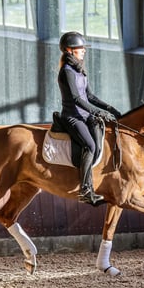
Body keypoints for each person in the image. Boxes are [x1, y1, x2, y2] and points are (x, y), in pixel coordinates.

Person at [57, 31, 122, 206]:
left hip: (86, 115)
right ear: (70, 50)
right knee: (90, 145)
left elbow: (90, 96)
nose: (84, 50)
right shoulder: (67, 71)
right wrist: (97, 112)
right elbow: (76, 99)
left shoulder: (80, 70)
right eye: (81, 48)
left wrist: (109, 109)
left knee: (101, 135)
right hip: (73, 117)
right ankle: (85, 190)